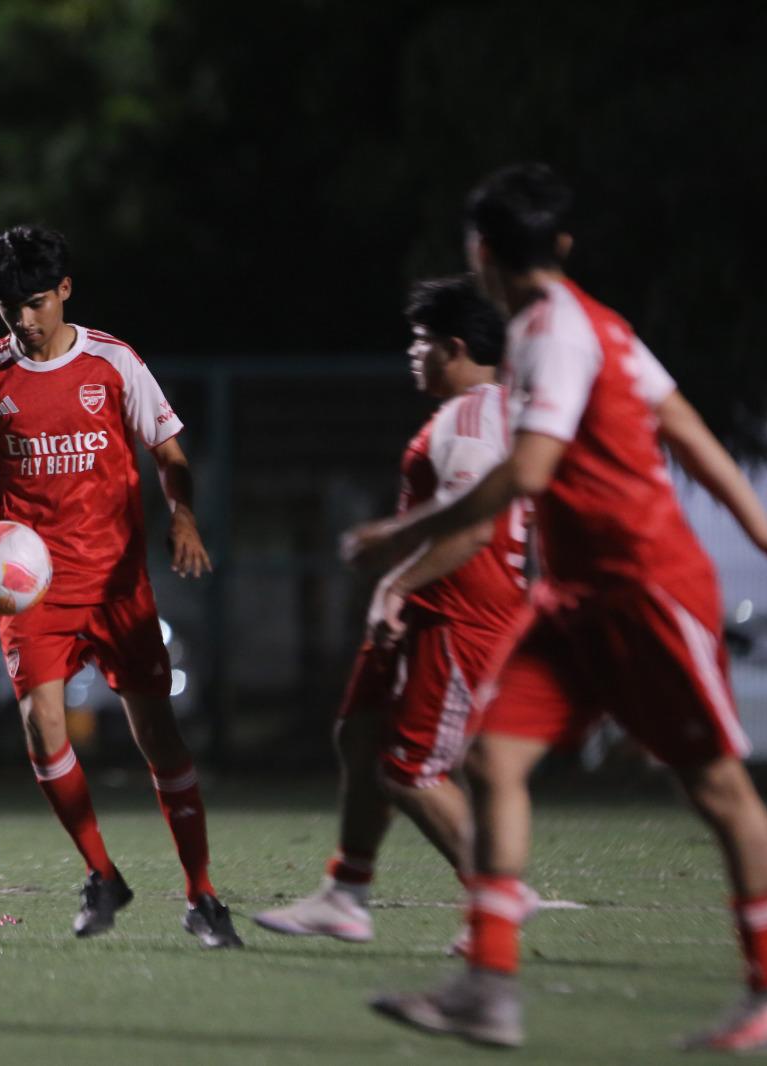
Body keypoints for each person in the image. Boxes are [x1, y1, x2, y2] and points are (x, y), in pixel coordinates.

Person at [358, 164, 767, 1052]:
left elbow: (528, 474)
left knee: (718, 791)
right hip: (573, 597)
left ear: (481, 253)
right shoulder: (599, 326)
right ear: (564, 245)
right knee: (493, 762)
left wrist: (402, 533)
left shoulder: (556, 334)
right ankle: (489, 990)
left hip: (647, 588)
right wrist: (766, 534)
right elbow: (685, 425)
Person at [0, 224, 241, 947]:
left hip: (115, 583)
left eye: (37, 302)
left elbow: (168, 449)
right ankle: (103, 874)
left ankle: (202, 896)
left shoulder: (112, 362)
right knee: (42, 729)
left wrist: (184, 516)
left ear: (65, 291)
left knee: (157, 735)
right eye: (9, 306)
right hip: (30, 590)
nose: (24, 319)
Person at [255, 276, 533, 949]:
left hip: (459, 615)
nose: (412, 353)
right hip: (433, 606)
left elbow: (471, 535)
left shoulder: (472, 419)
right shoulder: (480, 412)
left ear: (456, 347)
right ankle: (346, 895)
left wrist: (394, 585)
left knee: (410, 768)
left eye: (421, 341)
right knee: (360, 734)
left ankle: (497, 897)